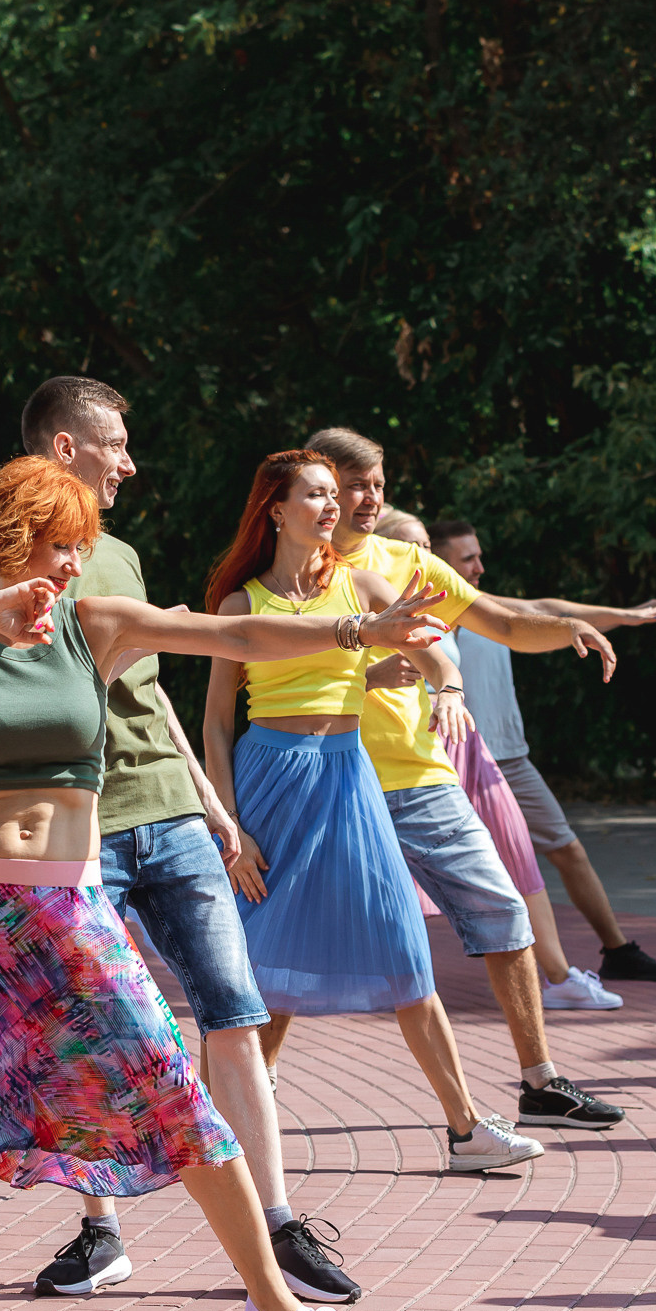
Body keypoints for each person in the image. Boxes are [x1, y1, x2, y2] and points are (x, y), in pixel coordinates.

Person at [0, 454, 448, 1311]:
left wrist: (356, 628)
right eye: (63, 546)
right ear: (12, 541)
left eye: (82, 547)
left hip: (69, 903)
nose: (75, 564)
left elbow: (229, 640)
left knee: (171, 1091)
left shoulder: (91, 625)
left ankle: (272, 1303)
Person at [0, 378, 362, 1306]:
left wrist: (210, 801)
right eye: (115, 445)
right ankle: (98, 1232)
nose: (130, 462)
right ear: (66, 451)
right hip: (84, 835)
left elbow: (148, 684)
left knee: (233, 1014)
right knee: (94, 1034)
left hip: (173, 820)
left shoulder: (120, 553)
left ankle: (279, 1227)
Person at [202, 452, 579, 1173]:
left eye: (330, 495)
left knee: (406, 947)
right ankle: (228, 1122)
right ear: (275, 511)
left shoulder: (359, 581)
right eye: (313, 495)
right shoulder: (240, 604)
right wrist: (230, 826)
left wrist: (445, 687)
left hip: (349, 777)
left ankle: (467, 1129)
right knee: (255, 960)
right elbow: (218, 725)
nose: (330, 506)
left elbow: (434, 644)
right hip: (270, 780)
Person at [306, 429, 630, 1134]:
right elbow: (268, 678)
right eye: (356, 484)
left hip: (423, 779)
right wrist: (363, 676)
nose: (370, 499)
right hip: (335, 782)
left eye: (379, 484)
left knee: (505, 914)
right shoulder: (293, 575)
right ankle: (256, 1080)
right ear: (321, 490)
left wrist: (568, 626)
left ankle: (540, 1083)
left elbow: (504, 622)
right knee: (294, 943)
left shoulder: (407, 562)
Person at [422, 518, 656, 984]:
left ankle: (617, 950)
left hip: (509, 761)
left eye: (479, 556)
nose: (481, 566)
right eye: (469, 559)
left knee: (565, 849)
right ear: (437, 560)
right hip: (443, 765)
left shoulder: (489, 609)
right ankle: (392, 974)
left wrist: (623, 615)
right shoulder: (414, 617)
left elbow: (546, 608)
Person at [373, 508, 595, 997]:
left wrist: (596, 622)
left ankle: (559, 979)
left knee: (518, 858)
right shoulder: (363, 594)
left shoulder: (442, 596)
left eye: (427, 546)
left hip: (465, 748)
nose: (423, 555)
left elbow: (521, 615)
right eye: (413, 547)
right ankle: (386, 981)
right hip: (403, 755)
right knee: (377, 882)